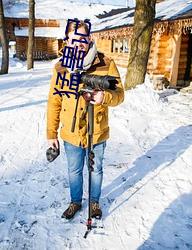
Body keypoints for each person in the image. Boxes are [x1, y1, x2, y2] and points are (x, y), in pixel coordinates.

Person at [46, 19, 124, 220]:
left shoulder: (106, 64)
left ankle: (95, 202)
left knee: (96, 169)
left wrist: (104, 97)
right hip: (71, 133)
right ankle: (75, 202)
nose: (79, 43)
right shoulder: (61, 68)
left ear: (88, 38)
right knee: (74, 170)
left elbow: (120, 95)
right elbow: (54, 102)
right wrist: (51, 134)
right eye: (74, 39)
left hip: (97, 130)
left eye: (82, 38)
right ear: (68, 41)